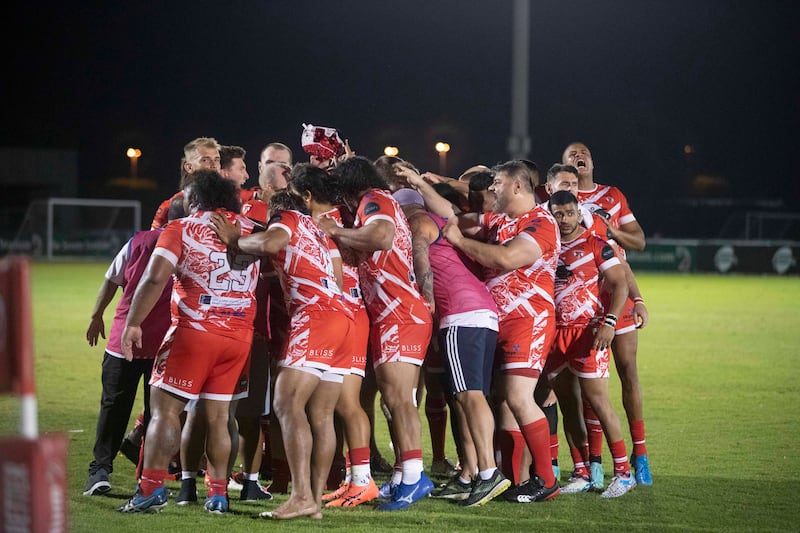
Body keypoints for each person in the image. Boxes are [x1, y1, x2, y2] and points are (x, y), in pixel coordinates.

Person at [402, 160, 561, 503]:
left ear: (518, 186)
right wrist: (419, 184)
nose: (492, 189)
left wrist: (458, 241)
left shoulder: (541, 222)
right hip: (500, 319)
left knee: (519, 397)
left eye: (498, 183)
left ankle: (547, 481)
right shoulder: (501, 220)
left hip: (528, 319)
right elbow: (451, 217)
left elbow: (506, 259)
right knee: (503, 403)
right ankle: (517, 481)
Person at [118, 170, 260, 514]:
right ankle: (218, 495)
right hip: (239, 337)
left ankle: (150, 488)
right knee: (220, 417)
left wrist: (133, 322)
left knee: (165, 411)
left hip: (194, 332)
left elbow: (154, 278)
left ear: (193, 200)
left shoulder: (180, 228)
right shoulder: (251, 230)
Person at [211, 190, 354, 520]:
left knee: (286, 404)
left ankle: (301, 495)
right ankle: (314, 502)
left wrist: (235, 238)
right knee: (321, 414)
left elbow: (269, 243)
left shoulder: (285, 219)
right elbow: (337, 276)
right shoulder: (319, 232)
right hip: (342, 317)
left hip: (315, 315)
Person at [316, 156, 434, 511]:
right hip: (395, 312)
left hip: (399, 313)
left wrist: (336, 231)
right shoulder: (376, 201)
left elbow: (381, 237)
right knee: (394, 400)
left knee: (399, 399)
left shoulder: (374, 199)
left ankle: (415, 478)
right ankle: (403, 475)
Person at [395, 187, 510, 507]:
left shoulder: (418, 222)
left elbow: (420, 257)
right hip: (475, 312)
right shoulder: (439, 220)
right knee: (462, 397)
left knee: (468, 395)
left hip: (463, 314)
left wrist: (425, 294)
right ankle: (470, 473)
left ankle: (489, 473)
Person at [288, 165, 379, 508]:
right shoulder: (336, 218)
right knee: (330, 406)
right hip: (345, 312)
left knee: (344, 403)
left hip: (348, 311)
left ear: (307, 195)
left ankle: (362, 480)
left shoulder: (332, 221)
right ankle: (352, 478)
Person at [562, 142, 652, 487]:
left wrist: (609, 229)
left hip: (616, 296)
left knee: (628, 371)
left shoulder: (611, 196)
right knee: (588, 386)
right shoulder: (555, 200)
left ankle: (640, 454)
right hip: (581, 306)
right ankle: (594, 463)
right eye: (571, 155)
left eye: (583, 154)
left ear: (593, 161)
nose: (578, 158)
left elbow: (637, 242)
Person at [82, 198, 185, 497]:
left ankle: (100, 470)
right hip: (164, 344)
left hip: (124, 338)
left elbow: (111, 279)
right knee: (160, 414)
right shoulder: (189, 245)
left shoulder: (137, 241)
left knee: (114, 408)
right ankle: (148, 477)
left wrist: (96, 315)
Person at [545, 190, 636, 498]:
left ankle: (623, 473)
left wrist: (610, 322)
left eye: (569, 213)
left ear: (577, 212)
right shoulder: (547, 246)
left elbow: (620, 283)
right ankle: (582, 471)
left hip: (588, 333)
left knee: (598, 404)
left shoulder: (596, 245)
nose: (564, 219)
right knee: (567, 405)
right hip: (556, 336)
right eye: (558, 214)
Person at [151, 137, 222, 230]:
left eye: (217, 159)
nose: (214, 165)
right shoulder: (172, 205)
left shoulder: (231, 200)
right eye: (205, 160)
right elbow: (152, 241)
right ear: (189, 167)